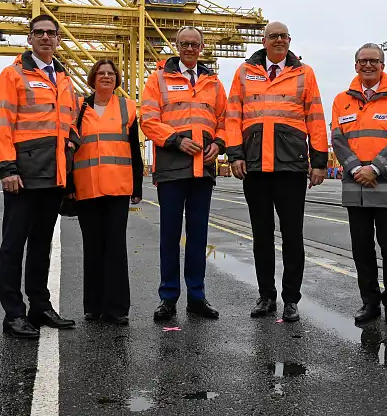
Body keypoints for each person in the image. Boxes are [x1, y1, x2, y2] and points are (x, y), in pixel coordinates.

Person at [226, 21, 328, 322]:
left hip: (290, 166)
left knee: (293, 237)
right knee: (261, 236)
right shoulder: (244, 73)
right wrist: (235, 154)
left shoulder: (304, 73)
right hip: (256, 166)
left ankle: (291, 300)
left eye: (283, 36)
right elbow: (233, 116)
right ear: (264, 40)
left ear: (290, 40)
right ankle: (266, 296)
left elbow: (316, 117)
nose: (279, 40)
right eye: (274, 36)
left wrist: (319, 161)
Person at [0, 14, 78, 339]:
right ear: (30, 38)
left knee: (42, 245)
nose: (45, 37)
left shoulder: (63, 79)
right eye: (39, 33)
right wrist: (7, 169)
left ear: (57, 40)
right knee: (13, 246)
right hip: (23, 175)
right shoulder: (13, 75)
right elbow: (1, 124)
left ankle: (39, 306)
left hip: (53, 176)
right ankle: (13, 314)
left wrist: (73, 141)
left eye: (51, 33)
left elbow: (68, 122)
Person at [141, 26, 227, 322]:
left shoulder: (213, 83)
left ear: (201, 47)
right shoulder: (158, 79)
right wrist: (176, 140)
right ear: (176, 46)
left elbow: (224, 119)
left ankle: (197, 297)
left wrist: (219, 142)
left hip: (203, 169)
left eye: (194, 44)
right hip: (172, 169)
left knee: (198, 237)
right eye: (184, 44)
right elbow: (148, 120)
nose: (190, 48)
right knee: (169, 236)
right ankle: (168, 298)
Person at [330, 43, 387, 326]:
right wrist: (356, 169)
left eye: (374, 61)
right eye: (363, 61)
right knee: (361, 250)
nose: (368, 65)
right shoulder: (341, 100)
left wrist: (375, 168)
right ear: (356, 65)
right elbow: (338, 140)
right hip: (356, 188)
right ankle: (370, 302)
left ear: (382, 65)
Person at [71, 59, 143, 326]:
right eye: (101, 73)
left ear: (117, 79)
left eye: (110, 74)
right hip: (86, 186)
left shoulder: (127, 107)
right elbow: (70, 149)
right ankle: (93, 306)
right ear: (92, 78)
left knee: (115, 248)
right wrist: (68, 187)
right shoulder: (78, 108)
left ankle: (117, 309)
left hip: (117, 187)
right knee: (92, 248)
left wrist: (137, 185)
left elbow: (133, 148)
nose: (106, 77)